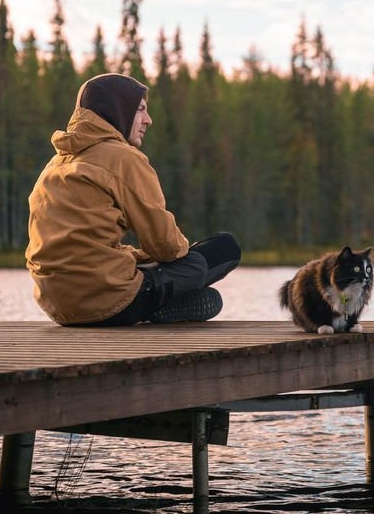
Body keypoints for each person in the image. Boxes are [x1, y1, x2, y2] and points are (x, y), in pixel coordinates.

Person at [25, 73, 240, 326]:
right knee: (224, 248)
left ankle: (157, 302)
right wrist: (170, 254)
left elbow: (79, 246)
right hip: (111, 302)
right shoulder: (123, 158)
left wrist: (137, 257)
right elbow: (166, 246)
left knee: (148, 264)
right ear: (118, 110)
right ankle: (157, 305)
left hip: (56, 306)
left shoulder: (54, 166)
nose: (148, 120)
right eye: (140, 110)